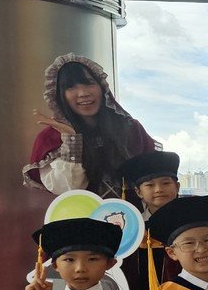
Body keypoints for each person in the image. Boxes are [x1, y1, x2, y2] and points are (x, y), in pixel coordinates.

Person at [24, 54, 158, 199]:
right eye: (70, 87)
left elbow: (156, 178)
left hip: (131, 212)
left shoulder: (130, 129)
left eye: (89, 83)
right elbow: (68, 189)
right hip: (82, 213)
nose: (83, 93)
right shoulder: (51, 138)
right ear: (59, 95)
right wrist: (71, 140)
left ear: (102, 87)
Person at [118, 150, 182, 290]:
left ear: (177, 186)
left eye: (166, 183)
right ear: (138, 192)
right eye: (150, 185)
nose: (158, 189)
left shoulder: (192, 224)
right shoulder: (133, 227)